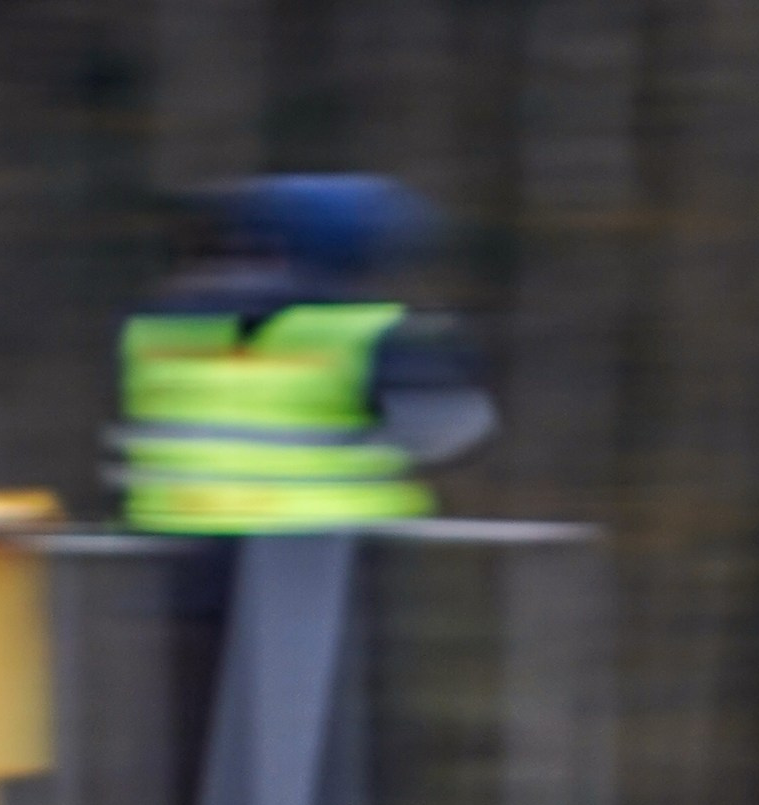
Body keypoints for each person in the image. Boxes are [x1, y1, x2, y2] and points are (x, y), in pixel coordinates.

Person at [115, 173, 496, 539]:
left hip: (178, 527)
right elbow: (445, 428)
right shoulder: (369, 328)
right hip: (325, 534)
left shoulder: (157, 322)